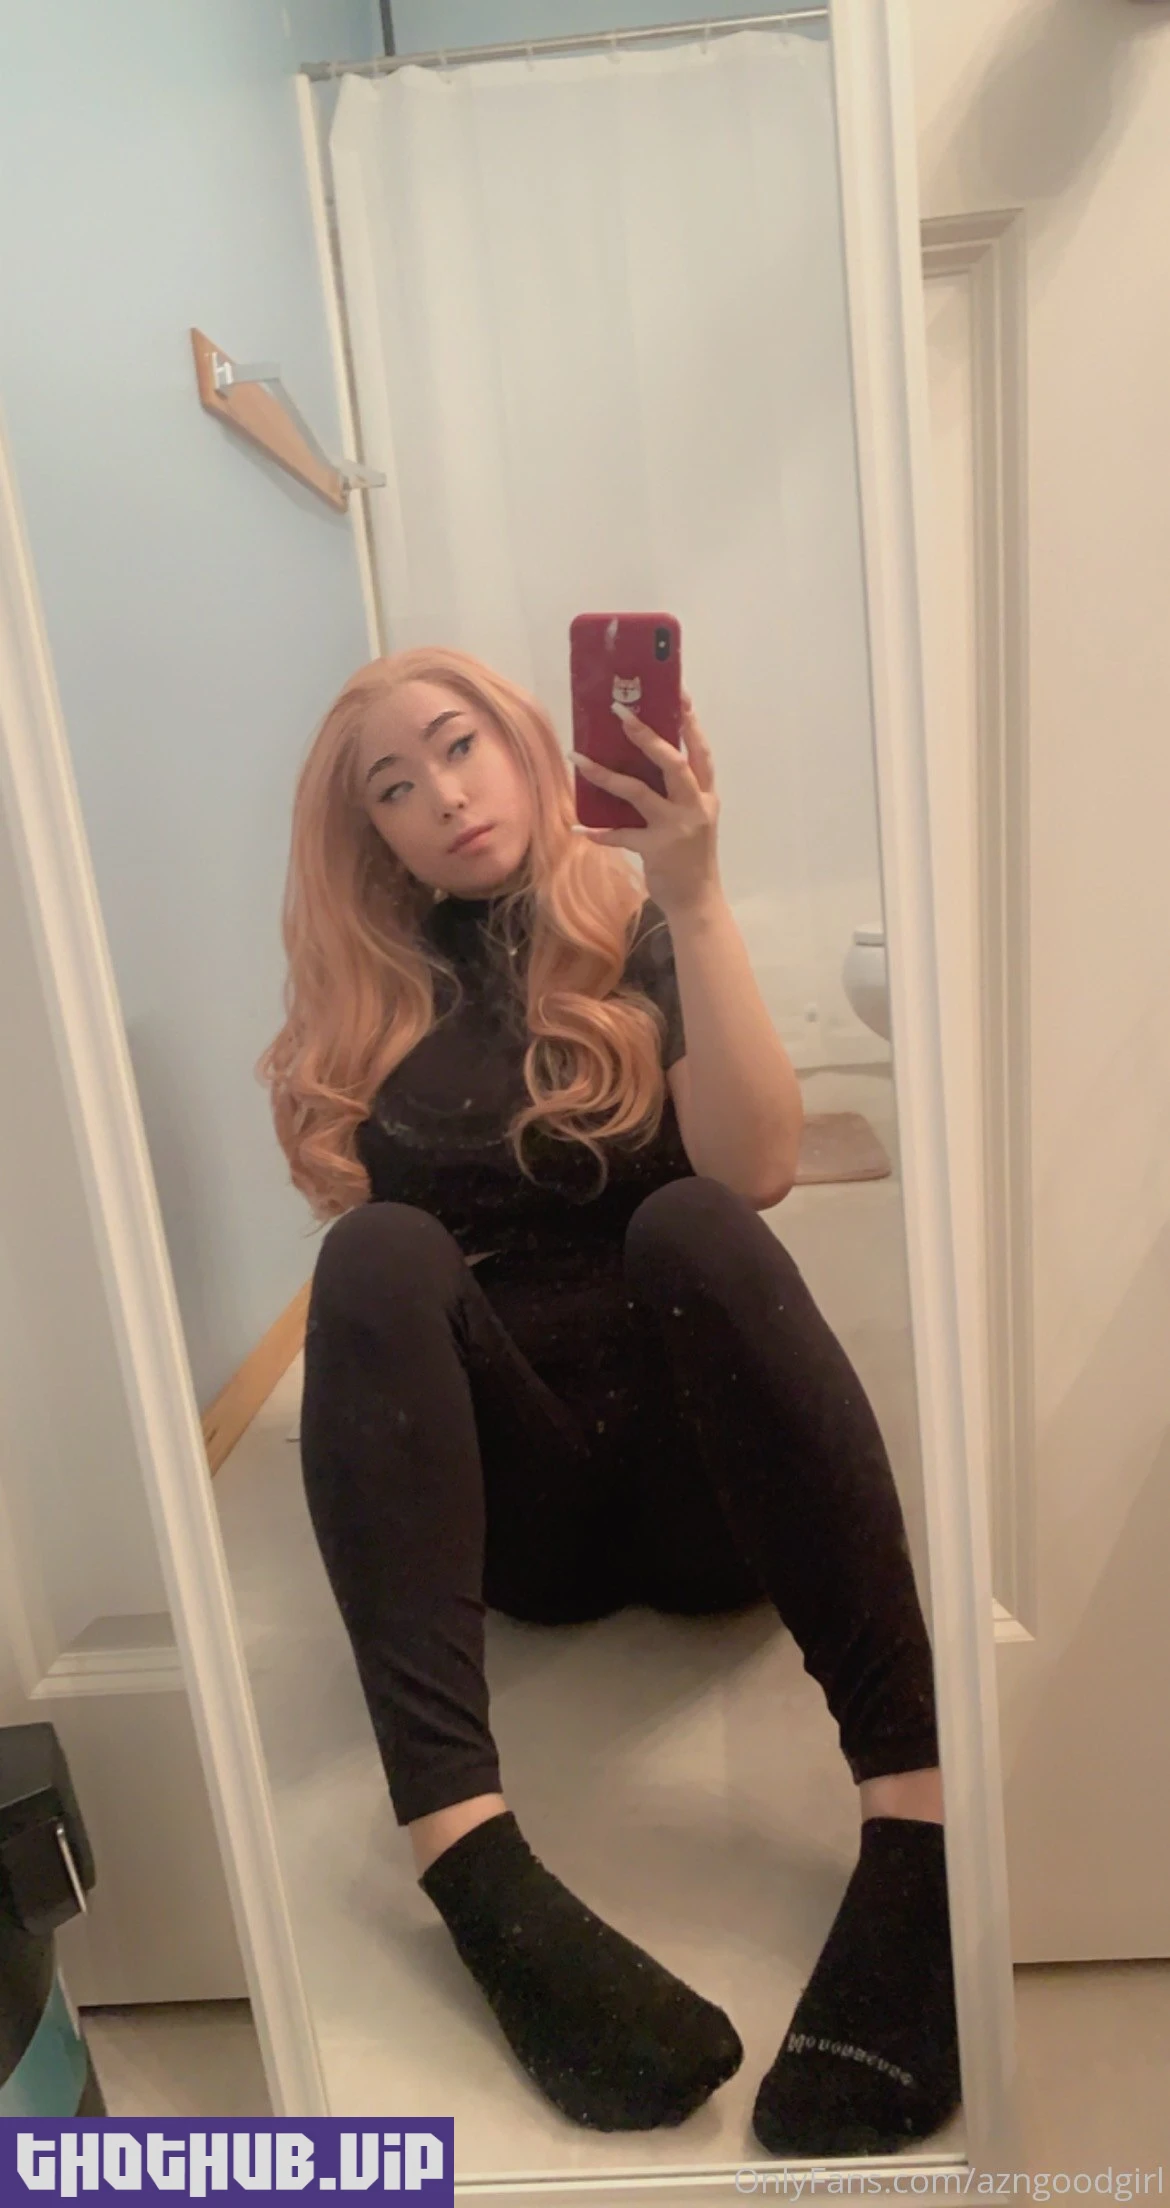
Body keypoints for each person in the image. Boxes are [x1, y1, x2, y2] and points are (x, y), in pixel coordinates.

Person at [258, 645, 960, 2156]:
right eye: (395, 786)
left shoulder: (637, 931)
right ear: (372, 835)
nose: (444, 796)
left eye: (459, 747)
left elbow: (761, 1165)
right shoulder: (370, 1014)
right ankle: (468, 1861)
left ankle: (919, 1822)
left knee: (694, 1221)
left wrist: (693, 894)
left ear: (526, 745)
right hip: (532, 1526)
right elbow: (392, 1337)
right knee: (372, 1255)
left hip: (709, 1499)